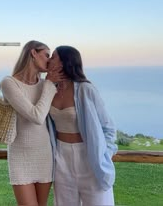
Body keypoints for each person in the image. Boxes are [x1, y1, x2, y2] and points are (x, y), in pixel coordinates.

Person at [47, 45, 118, 206]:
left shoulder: (86, 89)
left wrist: (103, 155)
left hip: (89, 158)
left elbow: (108, 128)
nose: (49, 60)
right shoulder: (50, 90)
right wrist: (47, 84)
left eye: (53, 56)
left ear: (64, 62)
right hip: (61, 158)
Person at [0, 40, 62, 206]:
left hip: (44, 154)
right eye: (46, 55)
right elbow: (37, 116)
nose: (49, 60)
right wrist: (49, 84)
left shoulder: (45, 85)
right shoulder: (9, 83)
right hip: (20, 156)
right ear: (33, 53)